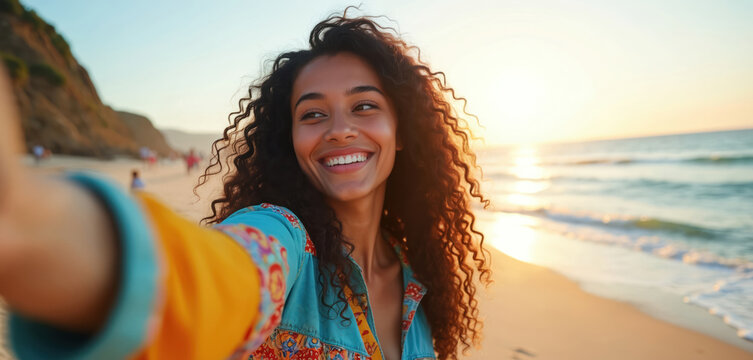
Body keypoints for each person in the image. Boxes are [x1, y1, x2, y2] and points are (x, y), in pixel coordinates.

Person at [0, 13, 489, 360]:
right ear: (291, 140)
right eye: (313, 114)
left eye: (364, 106)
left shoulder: (418, 282)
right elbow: (218, 276)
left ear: (402, 133)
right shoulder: (283, 237)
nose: (339, 129)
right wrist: (27, 223)